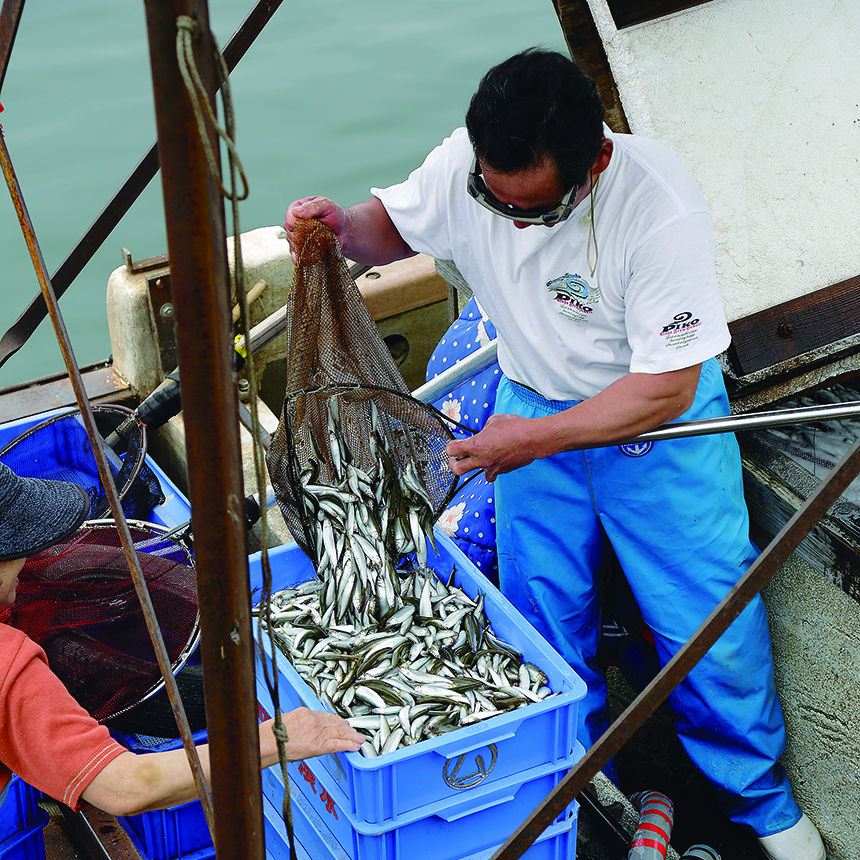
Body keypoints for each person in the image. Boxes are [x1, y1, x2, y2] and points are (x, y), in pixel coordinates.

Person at [283, 48, 825, 860]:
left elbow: (666, 389)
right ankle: (569, 771)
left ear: (595, 161)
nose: (509, 224)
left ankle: (759, 802)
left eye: (533, 212)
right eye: (492, 203)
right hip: (531, 395)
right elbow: (388, 229)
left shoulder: (657, 205)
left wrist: (528, 440)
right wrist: (338, 229)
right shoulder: (468, 164)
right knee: (540, 610)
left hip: (654, 424)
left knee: (706, 616)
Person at [0, 460, 363, 816]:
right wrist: (276, 739)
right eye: (21, 546)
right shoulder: (8, 666)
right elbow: (125, 787)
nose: (32, 555)